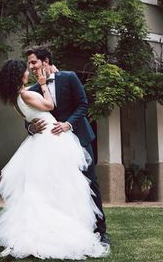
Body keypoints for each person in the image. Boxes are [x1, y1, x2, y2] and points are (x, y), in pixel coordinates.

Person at [0, 58, 109, 260]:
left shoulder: (18, 97)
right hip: (51, 141)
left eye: (32, 64)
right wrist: (42, 85)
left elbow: (77, 106)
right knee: (62, 186)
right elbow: (49, 106)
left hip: (48, 141)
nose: (29, 70)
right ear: (19, 75)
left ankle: (88, 229)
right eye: (26, 68)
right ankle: (54, 235)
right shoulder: (27, 92)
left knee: (52, 187)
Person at [25, 47, 109, 244]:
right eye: (29, 63)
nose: (31, 66)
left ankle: (100, 231)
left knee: (90, 181)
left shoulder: (69, 77)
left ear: (45, 61)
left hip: (79, 138)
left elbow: (83, 105)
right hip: (53, 146)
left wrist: (67, 124)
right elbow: (29, 118)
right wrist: (32, 128)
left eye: (33, 62)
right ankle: (67, 230)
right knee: (61, 186)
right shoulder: (34, 90)